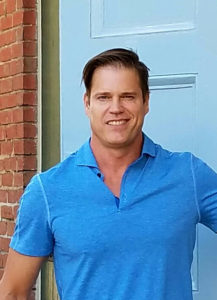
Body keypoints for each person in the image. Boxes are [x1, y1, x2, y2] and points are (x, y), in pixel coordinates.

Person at [0, 48, 217, 300]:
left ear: (146, 102)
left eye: (128, 96)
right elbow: (13, 292)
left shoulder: (187, 175)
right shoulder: (47, 191)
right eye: (104, 97)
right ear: (87, 104)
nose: (116, 108)